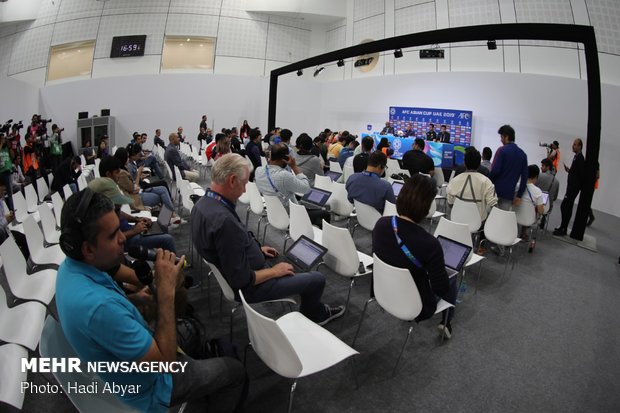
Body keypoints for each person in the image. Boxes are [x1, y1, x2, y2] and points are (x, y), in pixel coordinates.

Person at [56, 188, 246, 412]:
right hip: (151, 388)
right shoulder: (99, 308)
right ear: (87, 249)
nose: (121, 239)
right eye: (112, 235)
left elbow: (115, 289)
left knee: (192, 330)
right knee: (235, 372)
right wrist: (165, 293)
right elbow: (164, 366)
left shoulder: (73, 267)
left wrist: (135, 298)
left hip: (131, 358)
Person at [192, 153, 345, 325]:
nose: (244, 190)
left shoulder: (203, 204)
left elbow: (229, 246)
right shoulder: (223, 221)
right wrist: (274, 272)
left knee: (288, 262)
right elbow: (241, 279)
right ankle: (315, 315)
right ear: (232, 180)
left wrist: (256, 250)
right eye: (243, 184)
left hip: (240, 267)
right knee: (317, 279)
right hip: (250, 286)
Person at [373, 174, 457, 338]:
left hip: (383, 291)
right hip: (417, 305)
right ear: (426, 206)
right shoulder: (430, 244)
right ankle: (446, 323)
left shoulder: (381, 224)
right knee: (452, 276)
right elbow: (441, 288)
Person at [88, 176, 178, 255]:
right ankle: (174, 267)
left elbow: (121, 214)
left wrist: (138, 220)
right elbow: (112, 240)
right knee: (167, 239)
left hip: (132, 232)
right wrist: (134, 231)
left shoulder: (110, 209)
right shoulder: (99, 219)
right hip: (129, 240)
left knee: (162, 222)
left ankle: (163, 256)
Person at [255, 143, 330, 228]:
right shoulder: (284, 176)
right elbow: (307, 189)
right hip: (291, 214)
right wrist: (294, 167)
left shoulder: (258, 171)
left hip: (272, 211)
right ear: (285, 158)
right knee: (325, 213)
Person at [447, 147, 497, 221]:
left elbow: (450, 203)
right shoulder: (486, 182)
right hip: (478, 222)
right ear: (479, 163)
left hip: (457, 219)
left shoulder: (454, 181)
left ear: (465, 162)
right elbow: (494, 204)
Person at [489, 124, 528, 210]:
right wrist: (519, 195)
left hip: (496, 190)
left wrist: (488, 182)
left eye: (501, 137)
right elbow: (525, 177)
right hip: (509, 193)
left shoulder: (502, 150)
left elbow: (495, 171)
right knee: (502, 217)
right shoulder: (523, 155)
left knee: (490, 216)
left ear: (506, 137)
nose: (501, 140)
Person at [553, 138, 585, 236]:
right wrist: (570, 171)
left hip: (573, 188)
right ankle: (563, 227)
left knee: (564, 206)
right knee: (568, 207)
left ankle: (563, 228)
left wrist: (575, 185)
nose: (573, 146)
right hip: (571, 186)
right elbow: (576, 172)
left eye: (575, 144)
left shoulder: (580, 158)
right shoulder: (576, 157)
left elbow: (581, 174)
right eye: (573, 144)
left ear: (579, 146)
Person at [519, 165, 545, 240]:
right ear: (536, 176)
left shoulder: (518, 186)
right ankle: (525, 234)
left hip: (515, 217)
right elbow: (541, 211)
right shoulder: (537, 191)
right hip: (529, 220)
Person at [536, 158, 560, 224]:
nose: (541, 167)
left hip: (536, 205)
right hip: (548, 207)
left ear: (548, 167)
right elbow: (555, 198)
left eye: (543, 166)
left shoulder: (540, 176)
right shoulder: (557, 181)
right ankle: (543, 217)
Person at [0, 133, 14, 211]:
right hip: (1, 172)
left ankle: (12, 209)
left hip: (8, 171)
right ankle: (4, 211)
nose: (4, 140)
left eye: (4, 139)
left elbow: (12, 156)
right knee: (1, 193)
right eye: (2, 138)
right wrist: (1, 143)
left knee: (10, 193)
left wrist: (10, 147)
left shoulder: (6, 149)